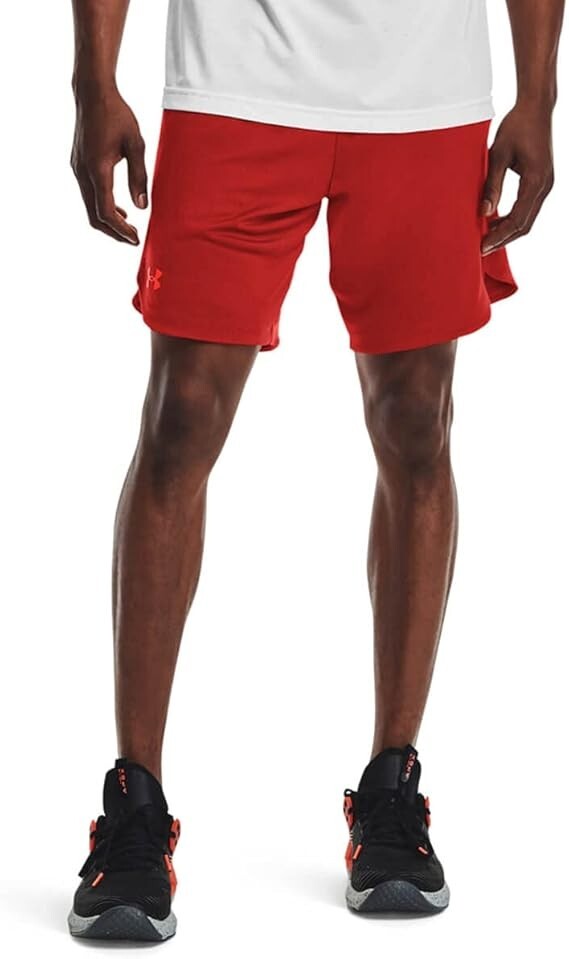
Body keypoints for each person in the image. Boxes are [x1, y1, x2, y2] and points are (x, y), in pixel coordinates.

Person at [68, 0, 564, 941]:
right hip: (235, 77)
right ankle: (134, 803)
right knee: (181, 417)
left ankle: (391, 789)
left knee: (415, 421)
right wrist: (94, 81)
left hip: (422, 87)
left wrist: (537, 93)